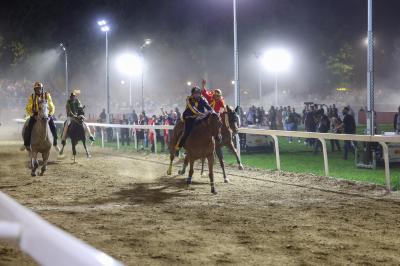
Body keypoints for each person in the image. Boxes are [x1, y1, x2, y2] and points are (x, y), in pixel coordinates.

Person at [175, 86, 213, 151]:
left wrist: (212, 112)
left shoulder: (203, 99)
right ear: (192, 94)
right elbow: (193, 109)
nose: (197, 95)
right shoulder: (189, 99)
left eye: (198, 93)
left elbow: (208, 107)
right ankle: (178, 147)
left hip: (201, 117)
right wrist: (201, 114)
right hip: (190, 117)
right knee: (186, 133)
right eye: (195, 93)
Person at [23, 82, 58, 150]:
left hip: (46, 114)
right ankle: (26, 144)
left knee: (53, 127)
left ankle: (55, 143)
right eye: (37, 89)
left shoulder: (47, 95)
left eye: (40, 88)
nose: (39, 90)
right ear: (34, 89)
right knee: (28, 128)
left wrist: (50, 114)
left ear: (42, 89)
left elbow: (52, 106)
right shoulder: (32, 96)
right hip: (35, 114)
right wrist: (32, 114)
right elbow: (28, 107)